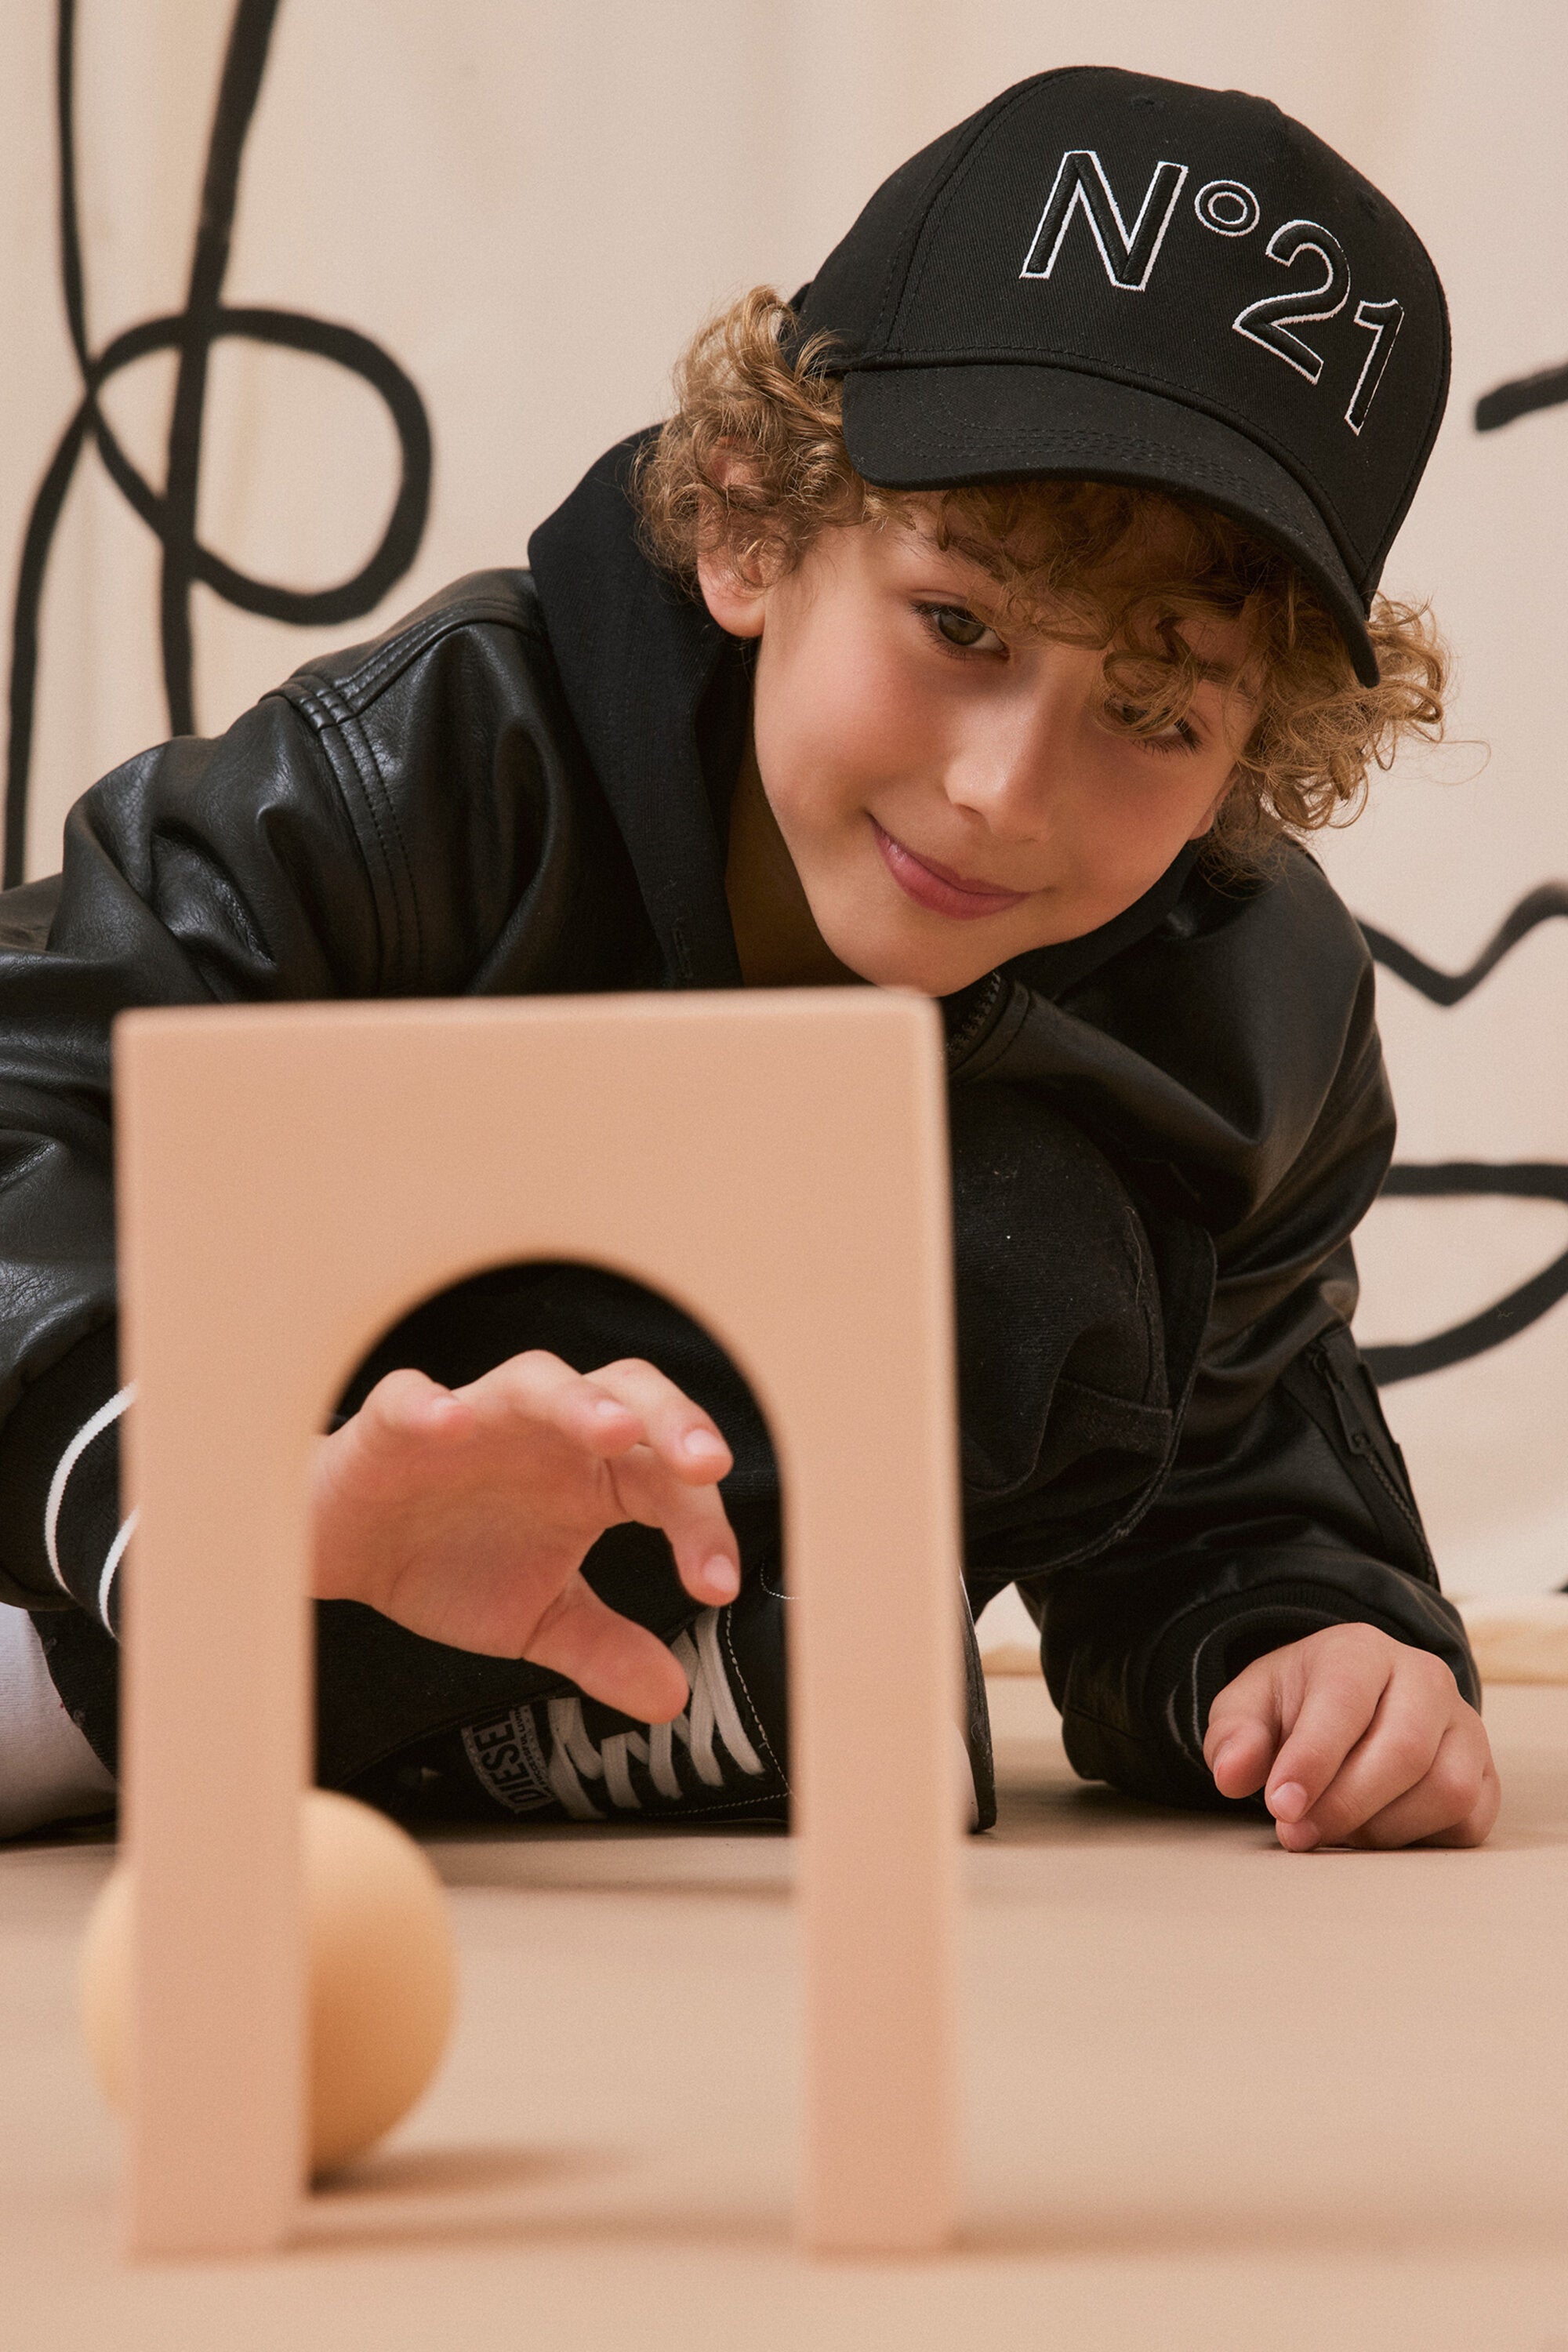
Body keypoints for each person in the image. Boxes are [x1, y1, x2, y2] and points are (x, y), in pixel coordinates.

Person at [0, 65, 1498, 1851]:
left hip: (655, 1695)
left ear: (1255, 761)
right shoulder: (438, 764)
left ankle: (686, 1690)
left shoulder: (1253, 1023)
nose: (1000, 791)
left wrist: (1307, 1649)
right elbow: (39, 1116)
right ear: (750, 527)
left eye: (1155, 712)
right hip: (83, 1595)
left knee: (1000, 1226)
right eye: (956, 625)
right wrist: (222, 1505)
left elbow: (1227, 1485)